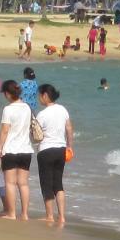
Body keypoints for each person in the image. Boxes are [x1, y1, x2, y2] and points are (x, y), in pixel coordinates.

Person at [34, 83, 74, 227]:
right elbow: (69, 128)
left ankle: (50, 216)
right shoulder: (63, 110)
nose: (39, 98)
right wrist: (70, 146)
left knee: (46, 184)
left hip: (46, 151)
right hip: (61, 150)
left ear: (45, 95)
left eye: (39, 95)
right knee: (58, 184)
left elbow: (36, 136)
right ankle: (62, 217)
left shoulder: (42, 114)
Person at [0, 80, 34, 220]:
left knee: (10, 183)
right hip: (26, 150)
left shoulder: (8, 109)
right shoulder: (27, 107)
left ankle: (12, 213)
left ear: (7, 93)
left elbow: (4, 130)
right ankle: (24, 214)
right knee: (23, 183)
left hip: (11, 150)